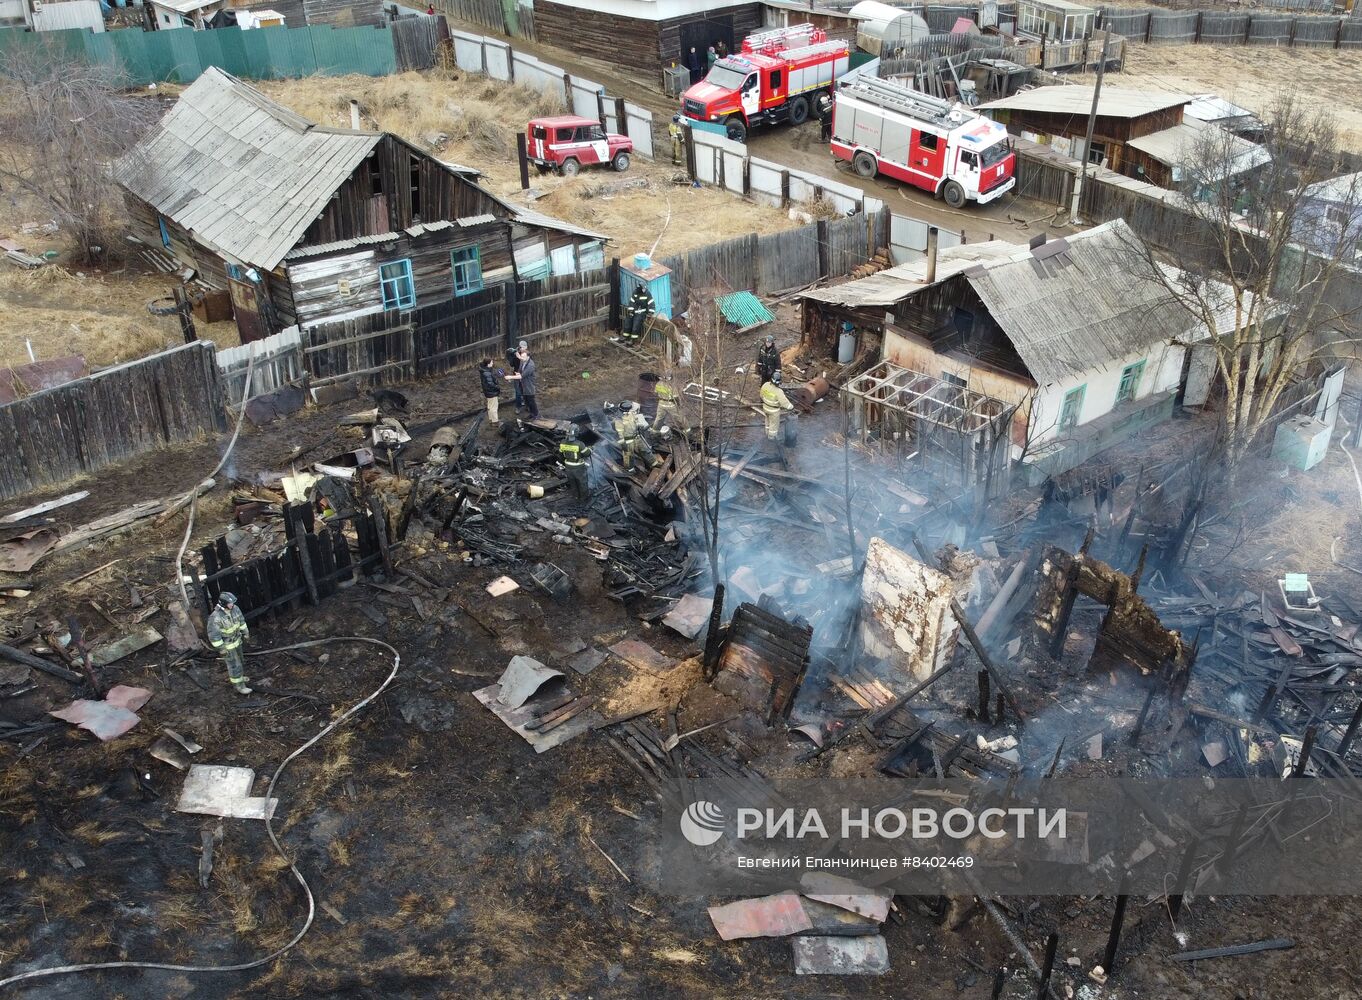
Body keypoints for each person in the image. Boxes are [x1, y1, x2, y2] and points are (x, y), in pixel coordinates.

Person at [207, 591, 251, 695]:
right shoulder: (215, 617)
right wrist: (221, 649)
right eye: (230, 603)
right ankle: (239, 686)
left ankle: (240, 678)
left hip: (237, 641)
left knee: (241, 661)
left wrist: (246, 633)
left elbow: (241, 621)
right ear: (223, 603)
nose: (232, 605)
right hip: (228, 646)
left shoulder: (235, 609)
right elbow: (214, 636)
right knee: (235, 666)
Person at [613, 400, 660, 471]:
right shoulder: (619, 419)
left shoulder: (631, 413)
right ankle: (630, 469)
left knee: (645, 450)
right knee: (628, 456)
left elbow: (635, 421)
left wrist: (639, 425)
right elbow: (620, 431)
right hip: (628, 440)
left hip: (637, 436)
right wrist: (623, 442)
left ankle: (654, 463)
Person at [559, 428, 592, 502]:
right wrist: (590, 449)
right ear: (576, 434)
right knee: (582, 482)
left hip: (568, 466)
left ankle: (575, 496)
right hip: (578, 467)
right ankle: (584, 498)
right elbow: (587, 454)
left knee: (572, 482)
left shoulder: (562, 442)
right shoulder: (580, 444)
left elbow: (560, 454)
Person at [760, 370, 794, 442]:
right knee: (774, 424)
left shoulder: (765, 385)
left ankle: (767, 433)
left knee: (767, 421)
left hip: (765, 407)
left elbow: (761, 395)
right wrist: (791, 407)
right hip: (773, 411)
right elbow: (785, 403)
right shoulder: (778, 391)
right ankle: (772, 437)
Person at [506, 345, 539, 419]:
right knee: (526, 399)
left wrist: (510, 377)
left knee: (531, 401)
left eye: (524, 357)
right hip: (523, 384)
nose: (522, 358)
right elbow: (520, 372)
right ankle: (531, 413)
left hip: (529, 386)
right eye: (521, 357)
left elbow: (522, 376)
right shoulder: (523, 361)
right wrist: (518, 373)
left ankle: (535, 415)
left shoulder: (530, 365)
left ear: (528, 357)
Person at [478, 358, 502, 425]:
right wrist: (497, 387)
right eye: (491, 362)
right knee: (494, 407)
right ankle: (495, 422)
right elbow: (490, 384)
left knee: (490, 406)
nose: (492, 363)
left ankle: (491, 419)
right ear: (488, 364)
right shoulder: (487, 373)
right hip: (492, 392)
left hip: (488, 392)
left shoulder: (484, 370)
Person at [505, 340, 527, 411]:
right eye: (523, 348)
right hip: (517, 373)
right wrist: (513, 357)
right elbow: (511, 364)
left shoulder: (526, 354)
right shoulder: (514, 354)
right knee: (518, 392)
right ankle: (518, 407)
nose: (525, 349)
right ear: (520, 347)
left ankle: (525, 403)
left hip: (524, 374)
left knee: (525, 389)